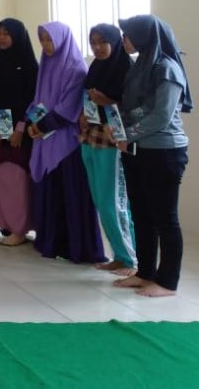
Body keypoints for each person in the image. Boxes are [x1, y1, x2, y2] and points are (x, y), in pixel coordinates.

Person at [113, 15, 191, 298]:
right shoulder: (139, 66)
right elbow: (133, 108)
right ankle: (145, 272)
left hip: (163, 152)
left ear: (144, 37)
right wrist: (118, 128)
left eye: (128, 34)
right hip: (137, 150)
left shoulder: (167, 68)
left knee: (164, 218)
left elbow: (161, 115)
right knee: (142, 214)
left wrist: (127, 134)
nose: (124, 40)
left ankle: (167, 282)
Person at [27, 22, 105, 264]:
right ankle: (51, 242)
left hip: (66, 143)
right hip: (45, 138)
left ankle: (77, 248)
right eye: (42, 40)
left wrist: (39, 127)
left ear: (62, 39)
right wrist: (31, 122)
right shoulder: (46, 64)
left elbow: (67, 108)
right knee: (51, 194)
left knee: (70, 195)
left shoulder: (75, 68)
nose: (46, 45)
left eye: (49, 39)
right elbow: (38, 100)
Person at [79, 23, 136, 274]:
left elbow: (134, 106)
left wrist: (108, 101)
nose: (98, 47)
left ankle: (130, 259)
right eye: (93, 42)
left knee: (113, 202)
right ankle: (119, 255)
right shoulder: (96, 67)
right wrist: (84, 113)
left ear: (115, 41)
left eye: (103, 41)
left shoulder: (126, 68)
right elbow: (88, 98)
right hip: (90, 137)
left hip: (114, 140)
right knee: (100, 201)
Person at [0, 18, 38, 246]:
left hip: (19, 135)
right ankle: (7, 222)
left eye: (6, 33)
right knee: (0, 178)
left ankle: (20, 228)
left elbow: (33, 101)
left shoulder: (30, 66)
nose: (2, 38)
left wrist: (20, 129)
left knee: (18, 180)